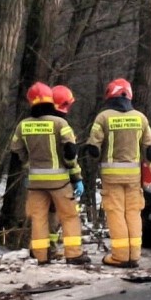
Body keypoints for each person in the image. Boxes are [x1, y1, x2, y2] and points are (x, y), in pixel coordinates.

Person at [9, 82, 89, 265]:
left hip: (35, 182)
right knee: (69, 216)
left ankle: (41, 255)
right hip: (59, 182)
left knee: (39, 218)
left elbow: (16, 150)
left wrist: (28, 164)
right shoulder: (60, 123)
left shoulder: (23, 125)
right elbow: (70, 152)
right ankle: (74, 254)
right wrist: (76, 177)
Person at [85, 78, 151, 268]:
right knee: (133, 213)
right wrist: (149, 174)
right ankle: (134, 255)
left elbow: (93, 148)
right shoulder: (140, 118)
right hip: (134, 177)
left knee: (116, 213)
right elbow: (149, 151)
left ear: (110, 94)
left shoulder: (103, 117)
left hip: (111, 176)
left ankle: (120, 256)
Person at [46, 85, 82, 254]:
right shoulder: (62, 126)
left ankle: (42, 248)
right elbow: (70, 157)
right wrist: (76, 178)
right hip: (59, 179)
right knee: (62, 213)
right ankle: (61, 250)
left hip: (37, 178)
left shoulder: (35, 123)